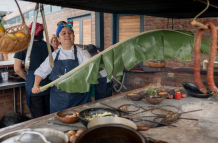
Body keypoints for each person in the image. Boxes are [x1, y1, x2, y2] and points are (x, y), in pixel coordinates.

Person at [32, 20, 92, 113]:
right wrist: (36, 85)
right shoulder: (54, 55)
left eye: (70, 33)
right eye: (63, 33)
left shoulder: (83, 53)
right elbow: (41, 71)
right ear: (58, 38)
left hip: (80, 100)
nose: (67, 35)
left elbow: (91, 67)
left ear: (74, 37)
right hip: (59, 102)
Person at [14, 22, 54, 118]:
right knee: (49, 115)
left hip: (34, 86)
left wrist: (27, 78)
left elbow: (17, 69)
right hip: (49, 85)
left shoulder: (22, 46)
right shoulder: (49, 47)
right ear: (41, 33)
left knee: (38, 118)